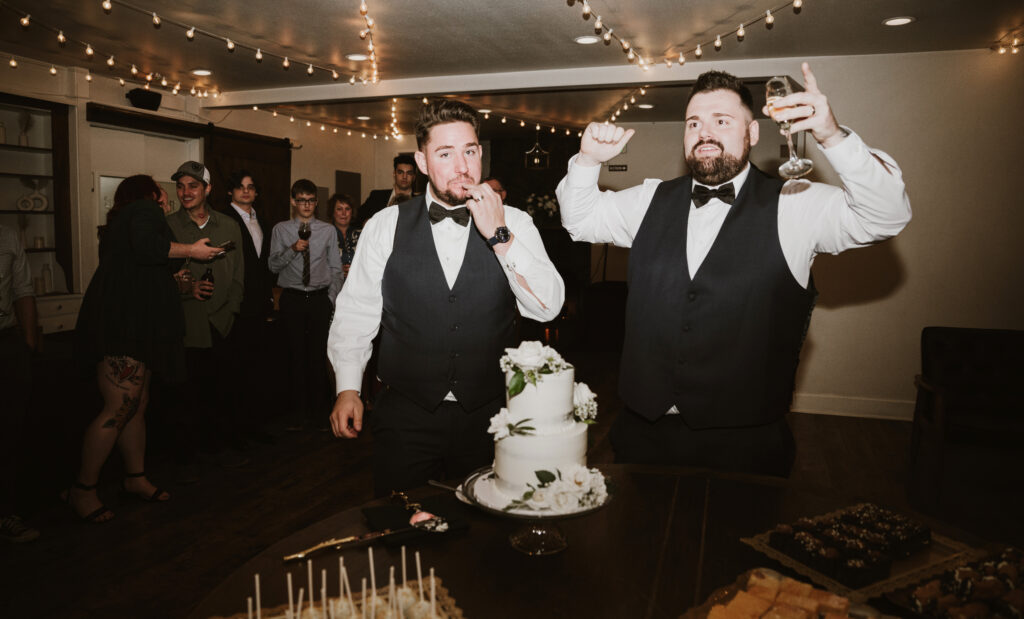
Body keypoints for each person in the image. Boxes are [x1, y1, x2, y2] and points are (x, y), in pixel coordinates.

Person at [556, 63, 912, 477]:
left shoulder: (794, 204)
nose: (704, 132)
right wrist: (586, 161)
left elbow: (885, 216)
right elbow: (578, 220)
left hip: (745, 444)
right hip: (644, 433)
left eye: (721, 121)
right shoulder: (649, 200)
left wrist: (832, 136)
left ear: (752, 133)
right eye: (693, 123)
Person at [328, 99, 565, 495]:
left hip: (490, 412)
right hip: (406, 411)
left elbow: (548, 307)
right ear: (421, 163)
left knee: (486, 530)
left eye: (470, 151)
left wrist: (500, 237)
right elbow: (356, 311)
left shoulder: (517, 222)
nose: (462, 166)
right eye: (445, 153)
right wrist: (348, 387)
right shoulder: (385, 225)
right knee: (400, 522)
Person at [69, 175, 223, 522]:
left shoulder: (127, 223)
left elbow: (141, 272)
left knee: (136, 405)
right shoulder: (143, 210)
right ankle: (83, 489)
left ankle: (135, 478)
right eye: (163, 192)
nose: (168, 198)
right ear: (149, 194)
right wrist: (192, 251)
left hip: (139, 328)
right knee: (120, 405)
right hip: (125, 331)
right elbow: (146, 249)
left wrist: (179, 284)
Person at [165, 161, 246, 468]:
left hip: (222, 322)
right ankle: (187, 457)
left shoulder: (228, 225)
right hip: (187, 324)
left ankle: (217, 446)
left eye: (193, 186)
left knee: (220, 389)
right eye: (181, 186)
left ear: (208, 189)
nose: (186, 192)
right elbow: (160, 276)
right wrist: (185, 289)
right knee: (186, 395)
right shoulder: (169, 227)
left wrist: (232, 309)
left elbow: (239, 276)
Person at [268, 180, 343, 430]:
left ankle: (320, 413)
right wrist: (292, 249)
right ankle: (298, 414)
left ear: (316, 202)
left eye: (310, 200)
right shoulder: (281, 230)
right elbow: (272, 266)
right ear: (293, 202)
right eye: (301, 200)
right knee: (295, 356)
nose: (306, 205)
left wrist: (331, 298)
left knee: (318, 357)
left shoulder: (328, 230)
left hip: (320, 298)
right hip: (293, 298)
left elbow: (335, 268)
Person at [224, 170, 275, 444]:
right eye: (240, 187)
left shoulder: (262, 221)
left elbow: (263, 265)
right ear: (230, 192)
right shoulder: (224, 219)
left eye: (251, 187)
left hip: (258, 305)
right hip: (235, 304)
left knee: (256, 368)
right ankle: (236, 432)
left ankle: (254, 427)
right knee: (236, 370)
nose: (246, 191)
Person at [0, 225, 41, 541]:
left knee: (10, 432)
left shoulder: (8, 235)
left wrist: (27, 344)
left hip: (7, 342)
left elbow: (23, 290)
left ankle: (6, 514)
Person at [355, 154, 418, 227]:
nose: (404, 177)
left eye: (409, 173)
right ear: (394, 174)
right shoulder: (376, 196)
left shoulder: (421, 202)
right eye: (400, 172)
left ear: (414, 176)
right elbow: (358, 219)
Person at [327, 193, 361, 283]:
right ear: (333, 212)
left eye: (347, 209)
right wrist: (337, 270)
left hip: (358, 286)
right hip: (333, 286)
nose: (344, 213)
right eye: (339, 209)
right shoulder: (325, 235)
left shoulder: (362, 234)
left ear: (352, 212)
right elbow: (317, 266)